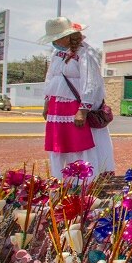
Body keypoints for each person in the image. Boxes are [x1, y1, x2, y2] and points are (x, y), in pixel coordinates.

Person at [41, 17, 115, 178]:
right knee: (59, 143)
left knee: (79, 143)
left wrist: (83, 109)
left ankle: (83, 180)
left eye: (56, 38)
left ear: (66, 37)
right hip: (57, 106)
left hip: (75, 106)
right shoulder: (57, 53)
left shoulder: (86, 53)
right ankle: (60, 178)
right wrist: (47, 103)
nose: (54, 42)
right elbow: (50, 77)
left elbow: (91, 81)